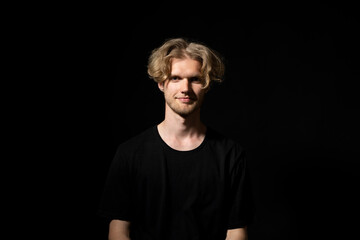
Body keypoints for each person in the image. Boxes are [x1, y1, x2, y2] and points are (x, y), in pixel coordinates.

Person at [98, 37, 253, 240]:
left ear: (206, 85)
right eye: (176, 78)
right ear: (161, 83)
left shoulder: (230, 155)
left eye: (195, 79)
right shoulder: (130, 153)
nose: (185, 89)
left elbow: (236, 231)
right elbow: (118, 230)